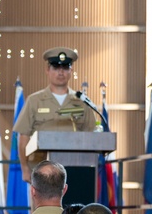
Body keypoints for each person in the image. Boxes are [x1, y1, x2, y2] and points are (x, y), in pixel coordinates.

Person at [12, 48, 96, 183]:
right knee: (45, 205)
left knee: (76, 204)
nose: (60, 71)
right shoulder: (34, 101)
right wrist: (25, 169)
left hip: (76, 169)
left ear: (71, 71)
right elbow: (23, 137)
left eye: (65, 67)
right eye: (56, 67)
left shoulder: (82, 102)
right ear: (47, 70)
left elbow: (92, 136)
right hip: (41, 171)